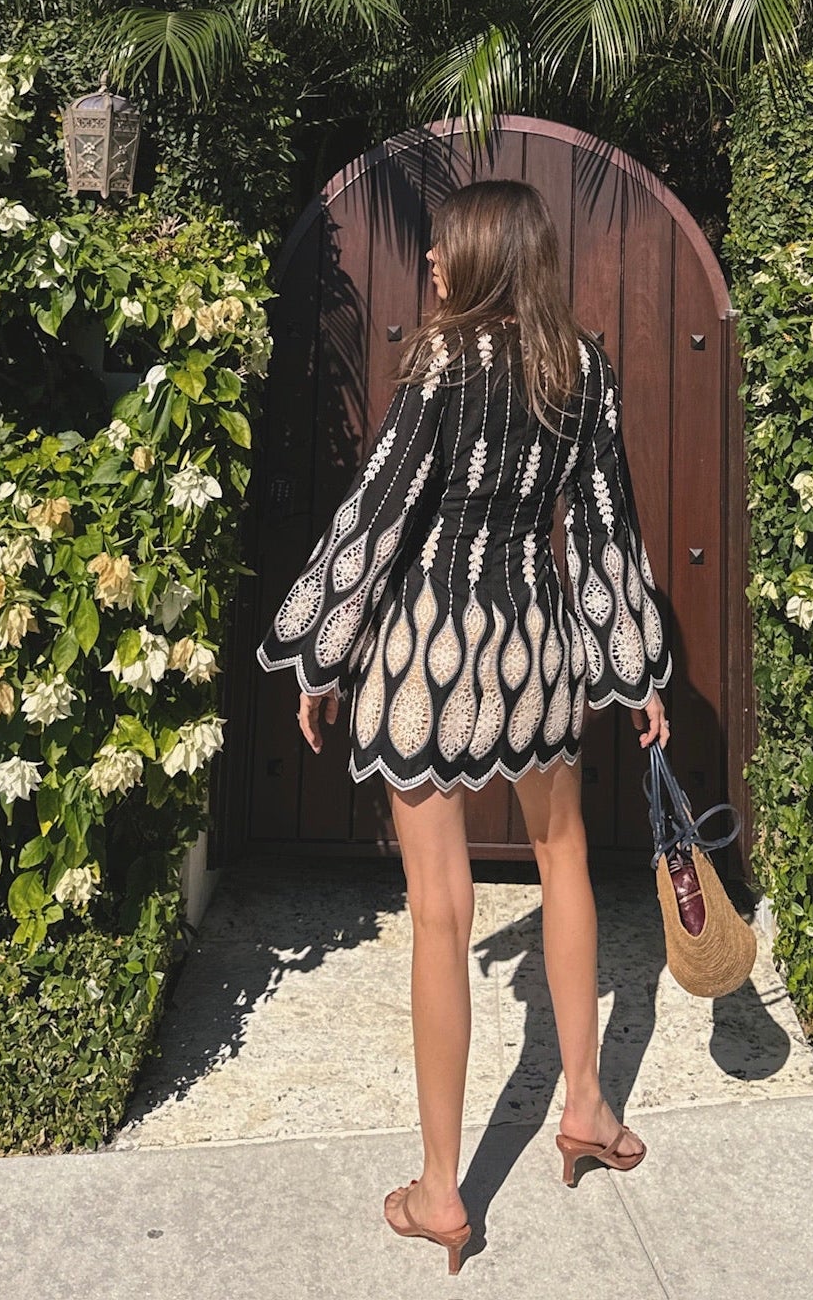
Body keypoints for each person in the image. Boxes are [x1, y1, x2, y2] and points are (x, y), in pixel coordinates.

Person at [256, 178, 672, 1274]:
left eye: (444, 249)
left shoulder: (443, 361)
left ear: (486, 253)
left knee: (441, 911)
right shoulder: (584, 368)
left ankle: (442, 1190)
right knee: (563, 855)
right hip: (536, 642)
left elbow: (380, 510)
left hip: (428, 650)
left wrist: (321, 649)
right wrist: (636, 670)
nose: (432, 263)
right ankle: (586, 1106)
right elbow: (607, 529)